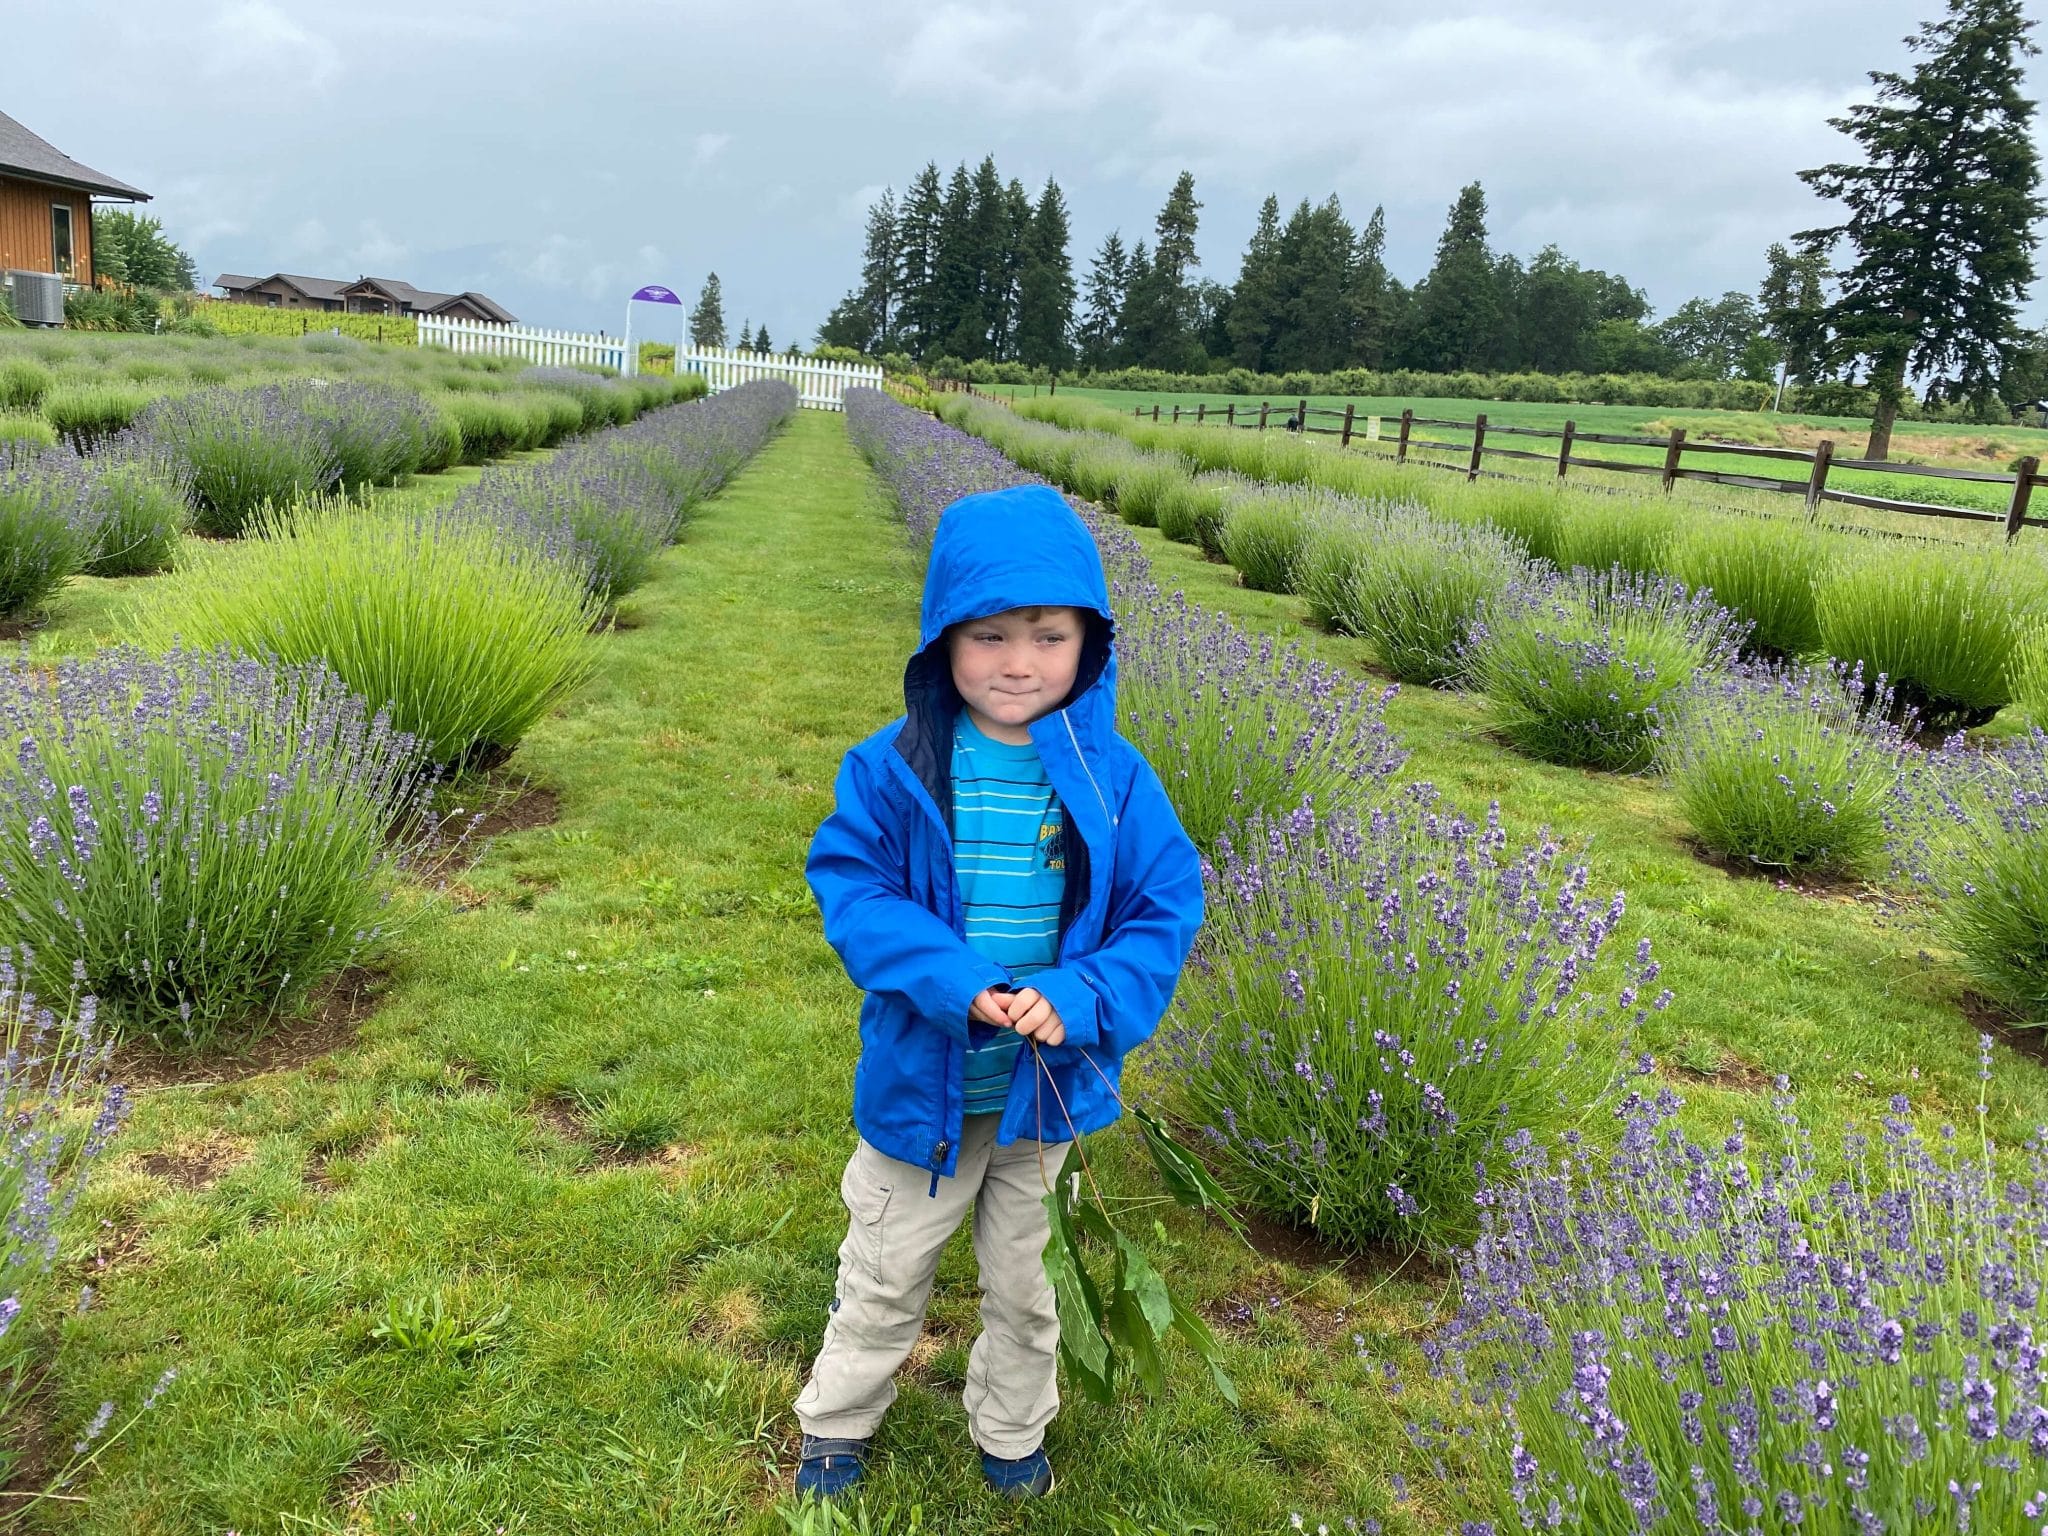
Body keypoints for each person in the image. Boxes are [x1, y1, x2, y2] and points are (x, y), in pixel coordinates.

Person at [793, 482, 1204, 1503]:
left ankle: (1012, 1430)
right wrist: (957, 980)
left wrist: (1083, 992)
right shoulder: (890, 771)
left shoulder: (1114, 781)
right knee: (885, 1272)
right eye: (986, 637)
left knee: (1029, 1285)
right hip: (920, 1092)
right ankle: (836, 1424)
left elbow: (1164, 907)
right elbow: (856, 891)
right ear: (941, 643)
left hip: (1042, 1096)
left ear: (1088, 645)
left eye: (1046, 636)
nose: (1017, 663)